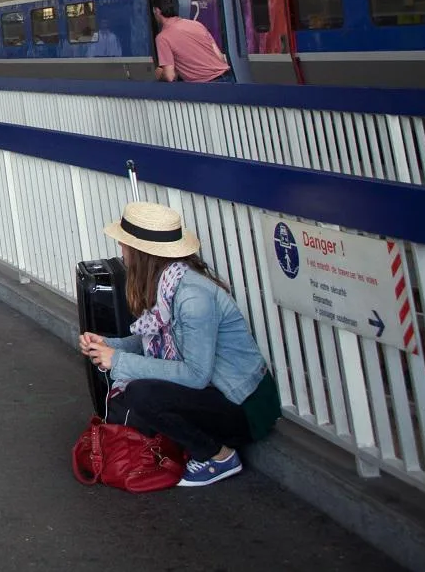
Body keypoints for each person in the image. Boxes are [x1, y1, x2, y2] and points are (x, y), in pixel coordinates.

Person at [79, 201, 280, 486]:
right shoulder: (169, 283)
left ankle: (219, 457)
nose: (120, 251)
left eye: (124, 244)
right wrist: (112, 345)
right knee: (136, 390)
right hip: (221, 394)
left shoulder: (193, 297)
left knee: (141, 394)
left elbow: (196, 375)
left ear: (141, 252)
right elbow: (153, 338)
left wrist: (119, 360)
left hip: (246, 407)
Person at [151, 0, 232, 82]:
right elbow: (219, 56)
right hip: (227, 78)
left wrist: (160, 74)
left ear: (156, 10)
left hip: (206, 87)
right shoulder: (197, 25)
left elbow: (170, 76)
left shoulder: (162, 37)